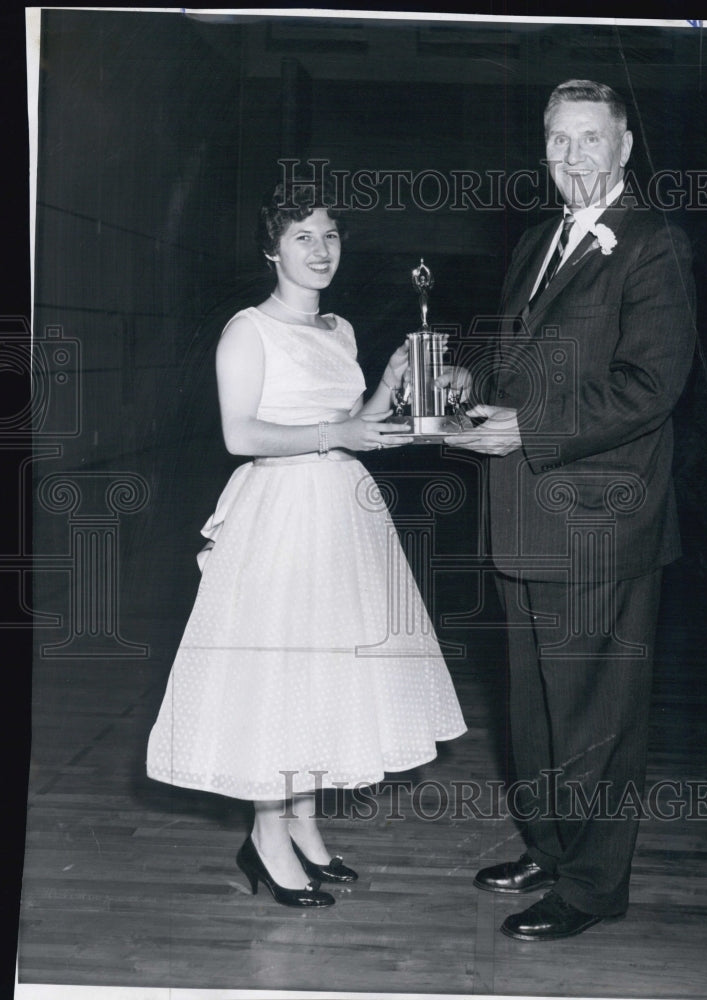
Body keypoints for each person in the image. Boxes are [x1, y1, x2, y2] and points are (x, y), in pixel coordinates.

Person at [146, 181, 466, 908]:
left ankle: (304, 827)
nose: (319, 251)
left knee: (326, 671)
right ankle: (264, 834)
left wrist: (386, 385)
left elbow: (355, 421)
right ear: (272, 249)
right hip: (282, 515)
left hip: (343, 512)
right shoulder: (247, 330)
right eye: (302, 238)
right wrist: (338, 433)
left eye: (329, 236)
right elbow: (241, 436)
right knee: (280, 674)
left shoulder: (341, 331)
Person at [447, 80, 696, 940]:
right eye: (557, 140)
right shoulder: (534, 241)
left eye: (589, 140)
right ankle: (550, 849)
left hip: (599, 526)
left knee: (594, 714)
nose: (572, 158)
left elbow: (649, 388)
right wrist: (470, 384)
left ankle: (592, 887)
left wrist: (522, 428)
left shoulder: (654, 244)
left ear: (624, 148)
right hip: (523, 521)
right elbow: (520, 367)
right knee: (537, 708)